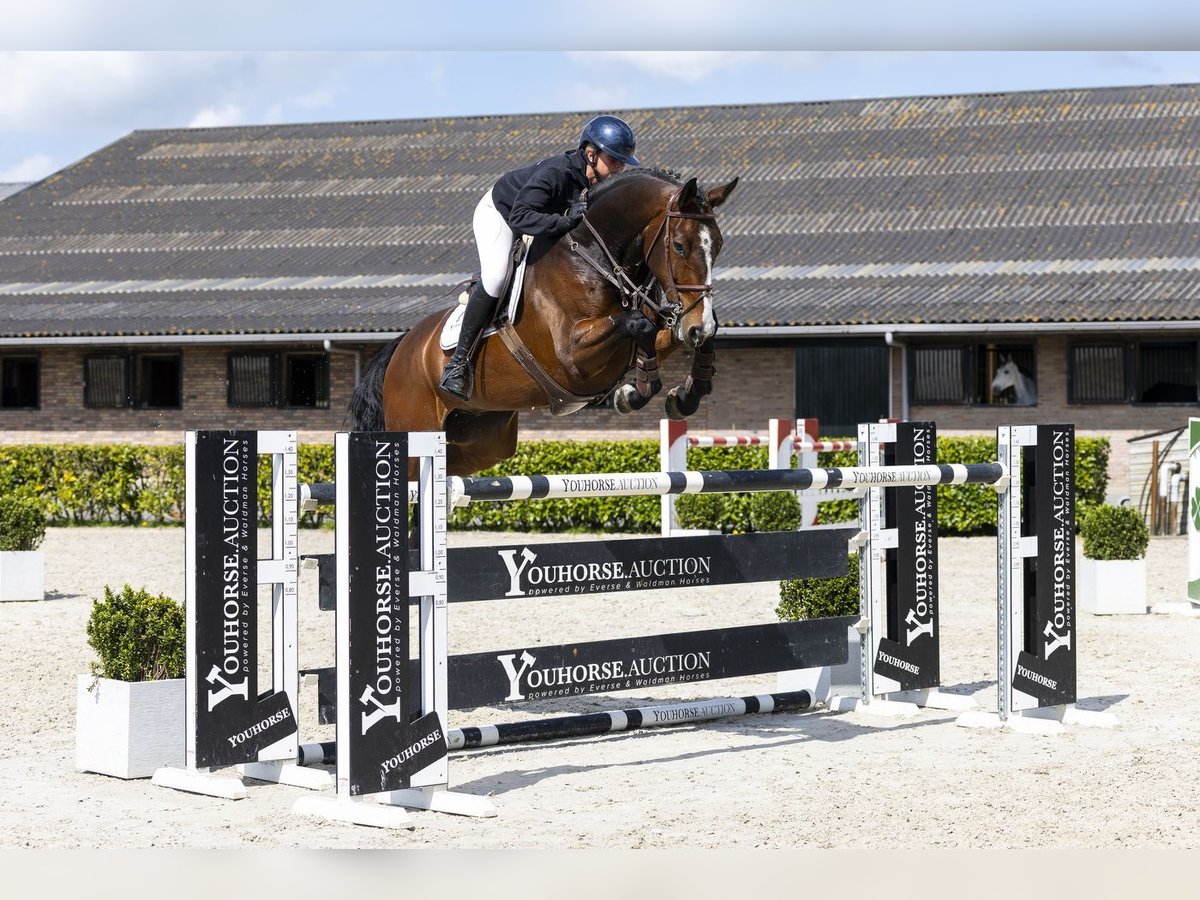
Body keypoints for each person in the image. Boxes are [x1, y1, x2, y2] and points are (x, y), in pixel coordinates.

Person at [438, 114, 641, 400]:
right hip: (502, 214)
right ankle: (458, 364)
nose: (620, 168)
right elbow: (520, 218)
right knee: (496, 277)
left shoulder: (599, 185)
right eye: (615, 160)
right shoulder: (556, 173)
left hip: (540, 219)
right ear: (590, 154)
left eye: (623, 162)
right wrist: (564, 220)